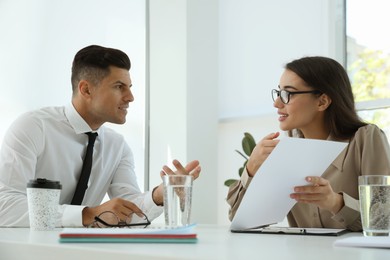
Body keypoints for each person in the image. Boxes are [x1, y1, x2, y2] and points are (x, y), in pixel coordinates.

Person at [0, 45, 201, 227]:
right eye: (119, 86)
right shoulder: (33, 127)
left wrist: (159, 195)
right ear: (86, 89)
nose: (130, 97)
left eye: (130, 87)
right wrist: (88, 214)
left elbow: (126, 211)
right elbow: (5, 206)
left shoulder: (117, 146)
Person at [227, 56, 390, 231]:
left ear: (322, 101)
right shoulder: (285, 151)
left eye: (288, 94)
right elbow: (240, 221)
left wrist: (335, 202)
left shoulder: (365, 138)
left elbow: (384, 219)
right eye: (278, 92)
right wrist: (251, 169)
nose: (277, 103)